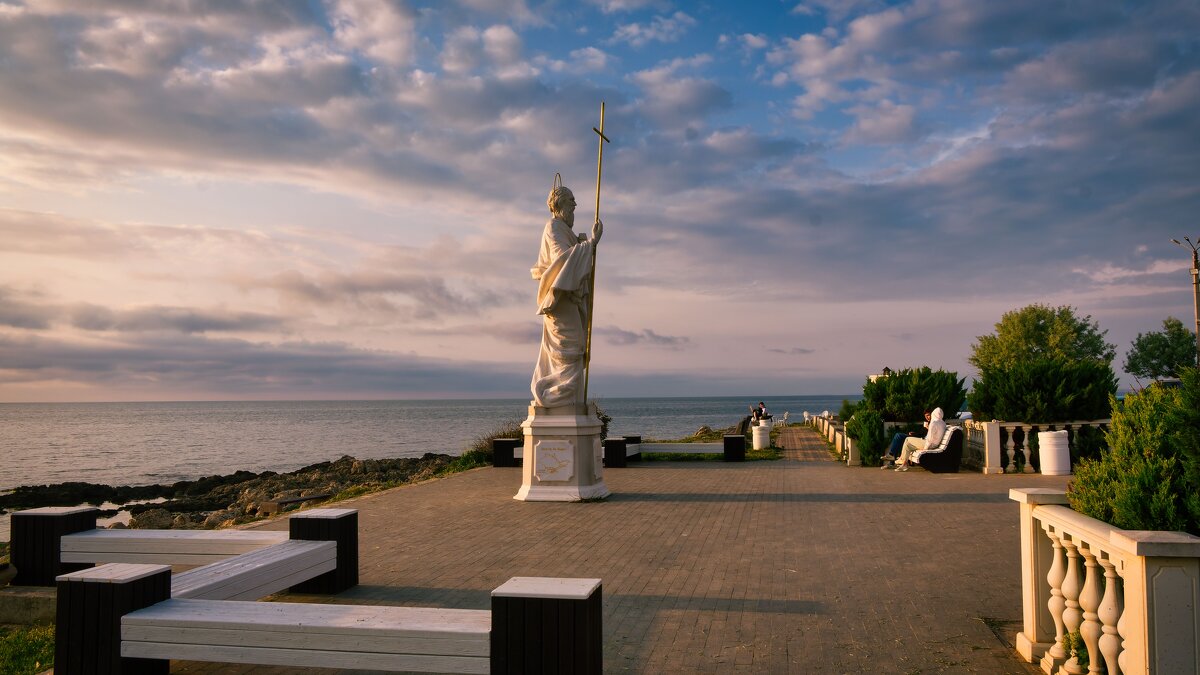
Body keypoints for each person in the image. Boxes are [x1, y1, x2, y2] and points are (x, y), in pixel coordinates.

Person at [530, 178, 602, 408]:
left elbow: (571, 259)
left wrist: (584, 246)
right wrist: (590, 244)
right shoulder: (553, 227)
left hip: (570, 300)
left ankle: (568, 400)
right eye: (571, 201)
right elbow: (561, 260)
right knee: (570, 348)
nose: (575, 205)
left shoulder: (564, 231)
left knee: (577, 347)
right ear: (559, 204)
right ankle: (556, 397)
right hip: (560, 300)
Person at [888, 408, 946, 472]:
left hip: (929, 444)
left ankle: (901, 459)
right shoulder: (943, 423)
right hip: (934, 444)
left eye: (929, 415)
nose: (928, 417)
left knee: (907, 439)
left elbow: (930, 438)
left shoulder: (934, 423)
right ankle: (904, 464)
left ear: (933, 414)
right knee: (908, 445)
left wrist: (925, 449)